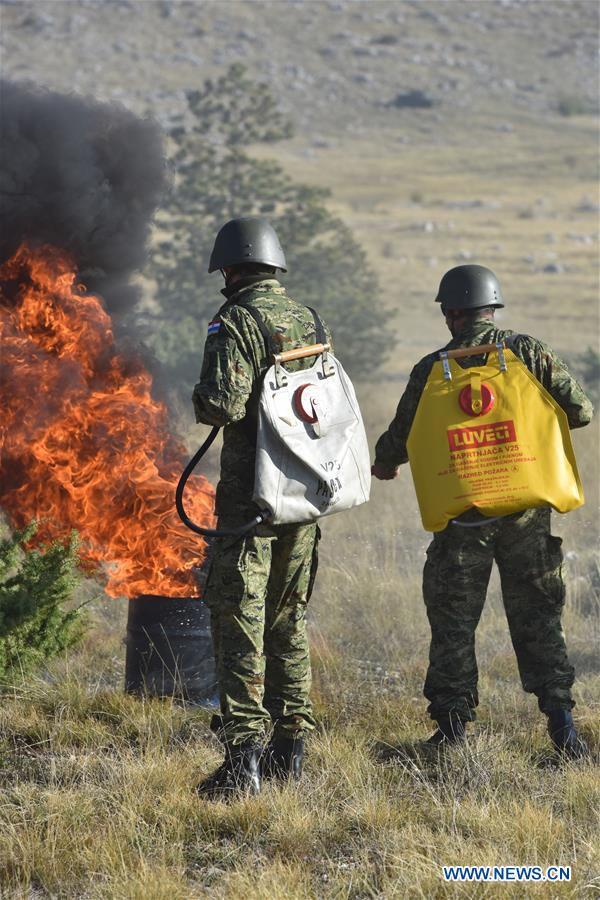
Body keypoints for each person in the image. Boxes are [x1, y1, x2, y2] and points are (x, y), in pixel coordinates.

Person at [372, 265, 593, 756]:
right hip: (525, 514)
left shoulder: (431, 368)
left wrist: (384, 465)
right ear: (493, 308)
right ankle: (563, 730)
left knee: (453, 623)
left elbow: (401, 437)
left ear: (450, 315)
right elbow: (581, 411)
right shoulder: (527, 352)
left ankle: (451, 731)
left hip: (462, 519)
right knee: (539, 618)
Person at [192, 217, 331, 797]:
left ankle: (243, 761)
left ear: (229, 269)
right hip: (303, 493)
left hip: (250, 502)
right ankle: (289, 753)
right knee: (288, 618)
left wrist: (201, 396)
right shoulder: (308, 319)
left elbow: (222, 405)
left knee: (239, 622)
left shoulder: (234, 321)